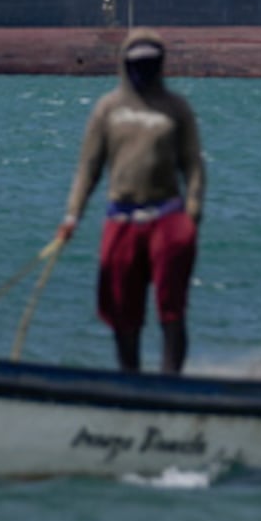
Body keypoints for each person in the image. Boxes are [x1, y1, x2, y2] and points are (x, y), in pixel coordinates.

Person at [56, 28, 205, 374]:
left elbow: (194, 165)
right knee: (122, 309)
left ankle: (170, 384)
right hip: (121, 218)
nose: (144, 69)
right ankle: (130, 378)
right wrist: (72, 215)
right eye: (137, 63)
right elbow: (88, 168)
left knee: (172, 308)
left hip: (167, 217)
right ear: (124, 64)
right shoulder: (108, 109)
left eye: (151, 63)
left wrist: (192, 215)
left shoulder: (176, 108)